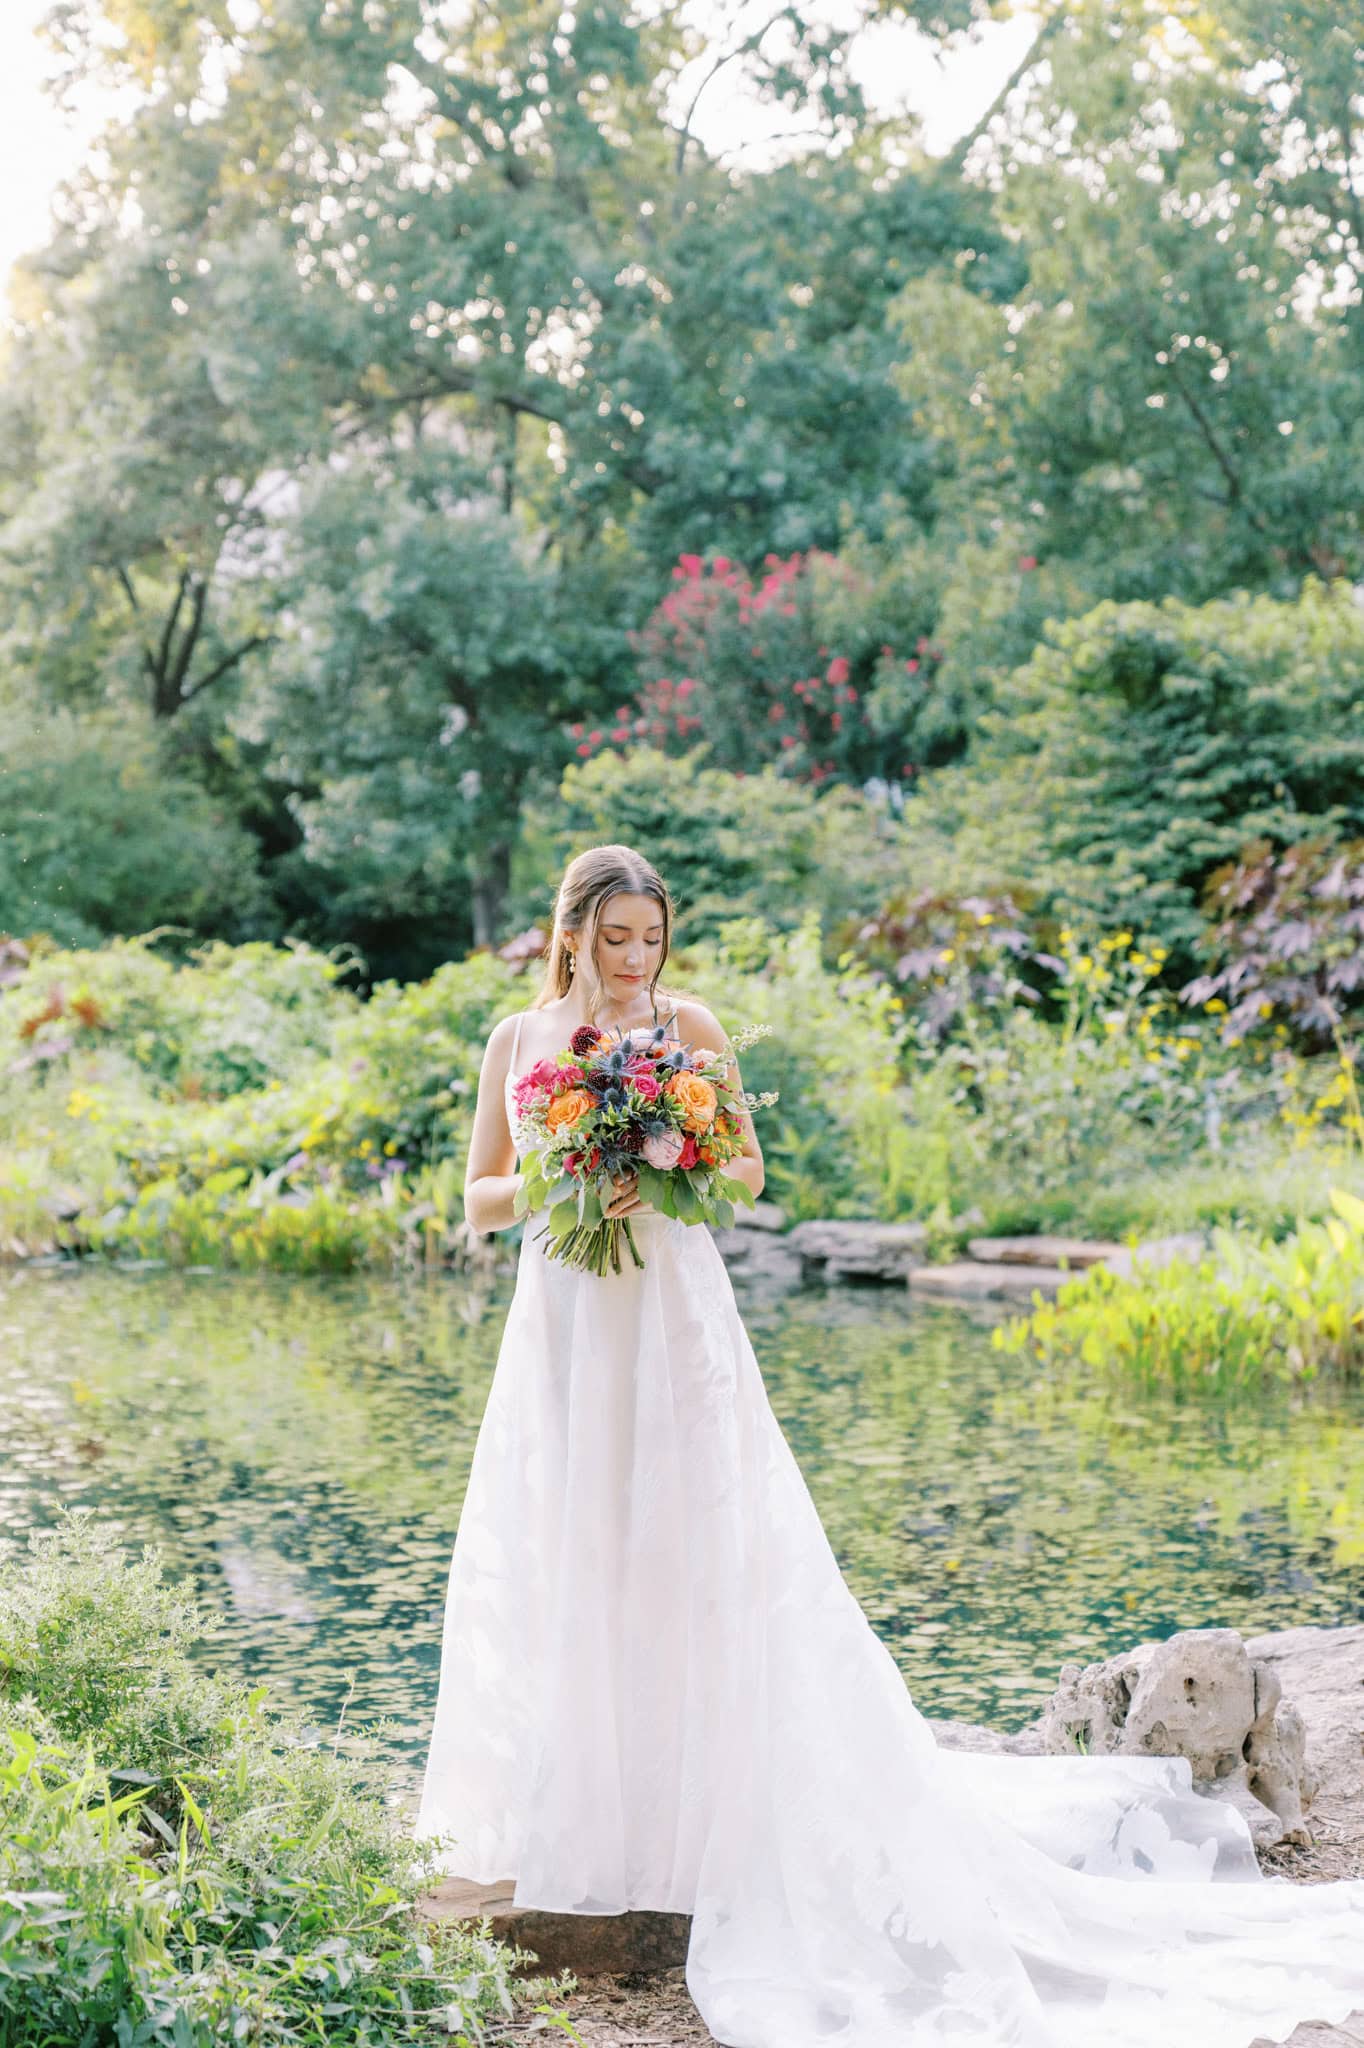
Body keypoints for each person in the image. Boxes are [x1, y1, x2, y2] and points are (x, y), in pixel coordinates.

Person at [416, 841, 1364, 2048]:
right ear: (569, 934)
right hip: (563, 1316)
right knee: (573, 1543)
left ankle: (700, 1815)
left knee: (696, 1545)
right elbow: (478, 1199)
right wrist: (568, 1166)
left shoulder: (688, 1023)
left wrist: (664, 1162)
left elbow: (746, 1170)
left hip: (671, 1313)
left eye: (651, 937)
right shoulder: (516, 1039)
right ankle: (585, 1817)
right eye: (616, 940)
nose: (636, 959)